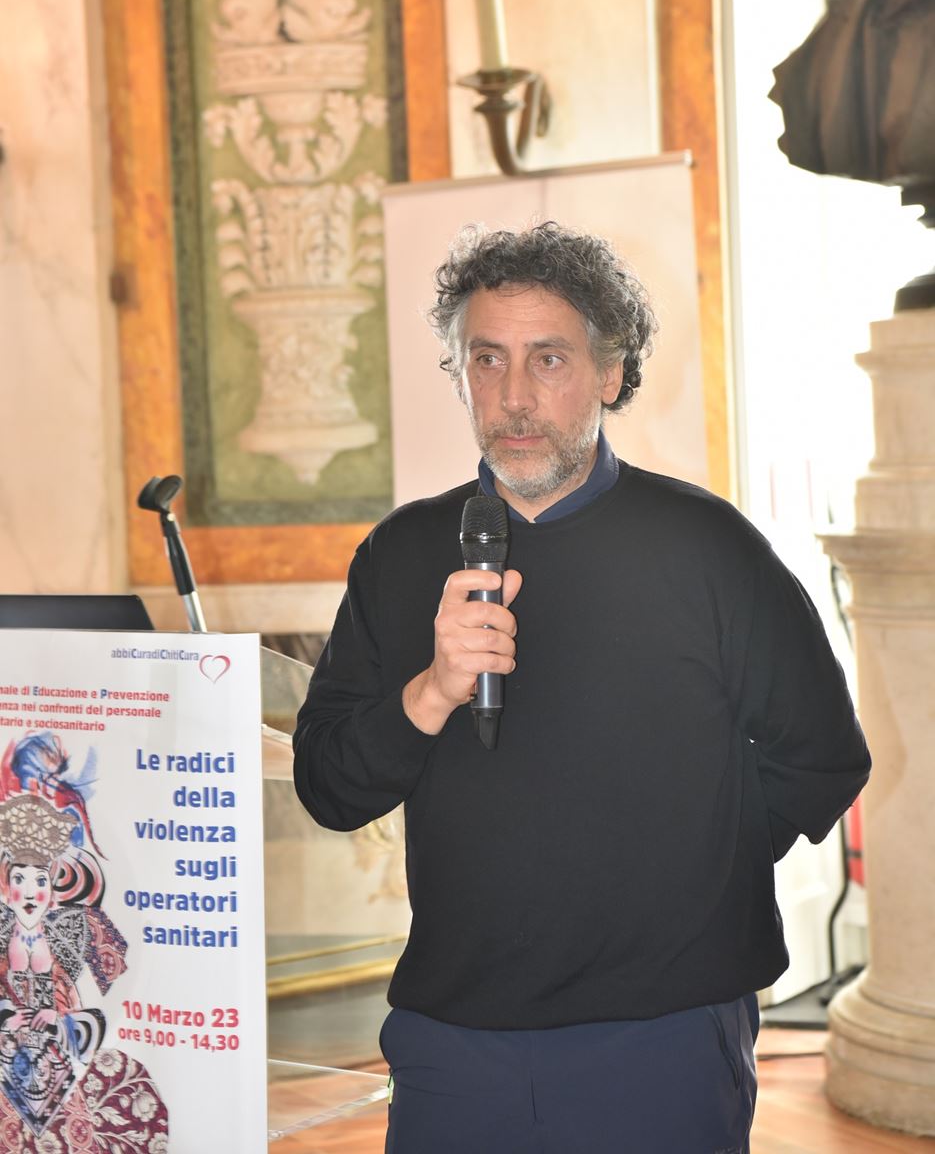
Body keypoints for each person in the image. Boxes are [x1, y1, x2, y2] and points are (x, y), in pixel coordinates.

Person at [293, 222, 871, 1154]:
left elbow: (823, 757)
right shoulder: (400, 554)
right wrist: (432, 691)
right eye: (487, 360)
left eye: (549, 359)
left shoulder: (706, 547)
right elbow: (328, 785)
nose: (515, 396)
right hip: (456, 1034)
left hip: (663, 1032)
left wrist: (696, 862)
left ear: (609, 372)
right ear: (461, 375)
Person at [0, 734, 168, 1152]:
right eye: (20, 879)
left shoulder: (76, 925)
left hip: (64, 1055)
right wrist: (8, 1017)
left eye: (40, 880)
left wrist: (60, 1023)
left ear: (54, 885)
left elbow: (121, 985)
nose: (30, 891)